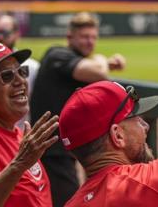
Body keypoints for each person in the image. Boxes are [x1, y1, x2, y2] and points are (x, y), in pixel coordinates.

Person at [30, 12, 126, 207]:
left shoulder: (68, 60)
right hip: (52, 150)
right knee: (69, 201)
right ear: (69, 37)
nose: (89, 42)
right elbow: (98, 73)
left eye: (93, 37)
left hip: (58, 148)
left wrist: (104, 63)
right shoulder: (57, 54)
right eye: (84, 37)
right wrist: (102, 60)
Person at [0, 41, 59, 207]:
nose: (21, 81)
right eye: (6, 76)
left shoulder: (21, 135)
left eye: (22, 72)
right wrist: (19, 165)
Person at [0, 13, 41, 125]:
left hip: (23, 133)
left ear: (17, 34)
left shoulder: (33, 67)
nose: (0, 37)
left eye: (22, 72)